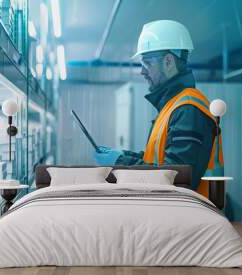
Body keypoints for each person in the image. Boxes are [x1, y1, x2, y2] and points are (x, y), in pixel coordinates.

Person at [94, 20, 223, 197]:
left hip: (190, 215)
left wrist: (121, 162)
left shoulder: (188, 109)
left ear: (169, 62)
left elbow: (176, 176)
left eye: (147, 63)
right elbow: (157, 160)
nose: (142, 71)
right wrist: (123, 156)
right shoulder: (173, 106)